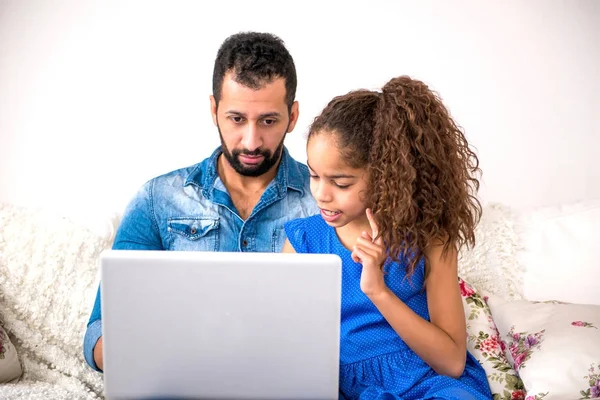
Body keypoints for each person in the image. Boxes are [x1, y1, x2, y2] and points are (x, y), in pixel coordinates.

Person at [83, 32, 319, 372]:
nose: (251, 141)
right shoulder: (157, 199)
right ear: (214, 110)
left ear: (292, 117)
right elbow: (99, 333)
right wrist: (162, 350)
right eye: (237, 119)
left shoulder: (325, 204)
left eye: (268, 121)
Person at [282, 76, 492, 399]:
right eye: (313, 175)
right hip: (342, 386)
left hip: (426, 382)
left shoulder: (430, 239)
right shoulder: (303, 241)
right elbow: (283, 341)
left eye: (341, 183)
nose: (321, 195)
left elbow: (451, 362)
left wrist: (378, 291)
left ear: (384, 176)